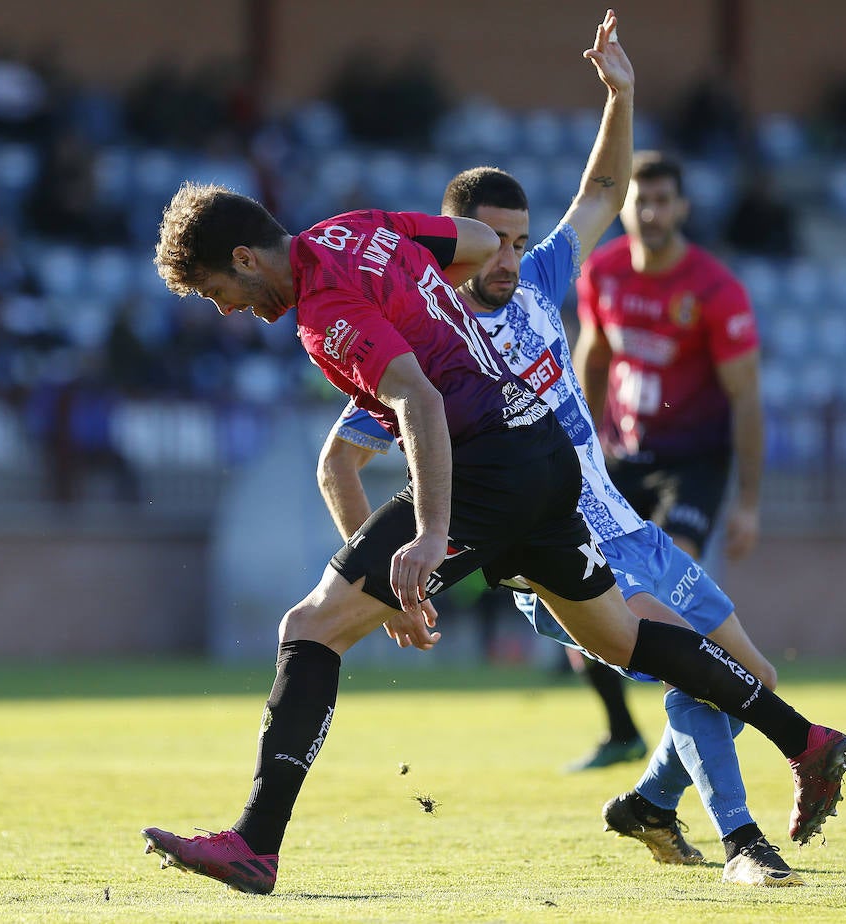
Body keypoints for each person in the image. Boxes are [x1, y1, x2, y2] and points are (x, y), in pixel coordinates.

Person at [140, 12, 846, 896]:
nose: (226, 308)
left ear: (246, 256)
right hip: (542, 458)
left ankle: (255, 841)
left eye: (219, 288)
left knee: (307, 630)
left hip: (485, 470)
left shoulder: (327, 310)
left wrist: (429, 537)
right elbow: (471, 248)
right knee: (629, 640)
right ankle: (806, 740)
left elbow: (420, 400)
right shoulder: (356, 231)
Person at [316, 36, 808, 880]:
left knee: (748, 676)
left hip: (627, 524)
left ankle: (649, 805)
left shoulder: (544, 279)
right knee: (714, 675)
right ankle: (744, 845)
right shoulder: (428, 344)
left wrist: (620, 96)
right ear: (449, 246)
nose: (508, 255)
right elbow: (339, 463)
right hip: (551, 551)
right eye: (491, 242)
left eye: (517, 239)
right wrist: (390, 582)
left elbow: (603, 190)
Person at [571, 151, 767, 774]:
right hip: (622, 457)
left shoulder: (714, 289)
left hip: (693, 464)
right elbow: (593, 360)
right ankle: (622, 732)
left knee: (669, 588)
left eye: (663, 200)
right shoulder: (601, 273)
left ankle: (688, 725)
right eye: (639, 199)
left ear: (682, 207)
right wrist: (580, 449)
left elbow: (746, 399)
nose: (650, 212)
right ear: (622, 204)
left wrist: (749, 503)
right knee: (579, 589)